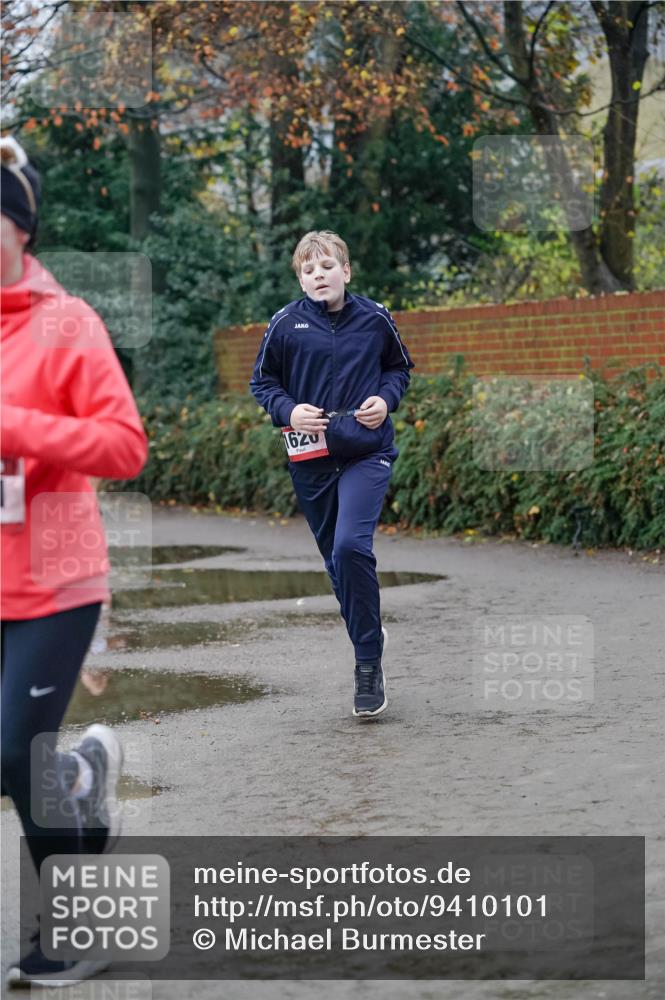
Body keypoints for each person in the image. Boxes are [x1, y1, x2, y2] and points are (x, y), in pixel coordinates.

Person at [0, 136, 148, 986]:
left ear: (20, 229)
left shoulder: (68, 322)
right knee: (12, 757)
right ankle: (84, 779)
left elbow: (124, 445)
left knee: (19, 745)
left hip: (56, 577)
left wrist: (19, 428)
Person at [250, 230, 414, 719]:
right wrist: (288, 411)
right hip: (311, 458)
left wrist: (385, 401)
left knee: (350, 547)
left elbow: (399, 369)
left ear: (346, 271)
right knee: (335, 563)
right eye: (308, 270)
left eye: (326, 267)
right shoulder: (284, 325)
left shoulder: (375, 318)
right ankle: (368, 627)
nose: (318, 276)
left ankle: (368, 663)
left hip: (367, 452)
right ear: (300, 279)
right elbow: (263, 382)